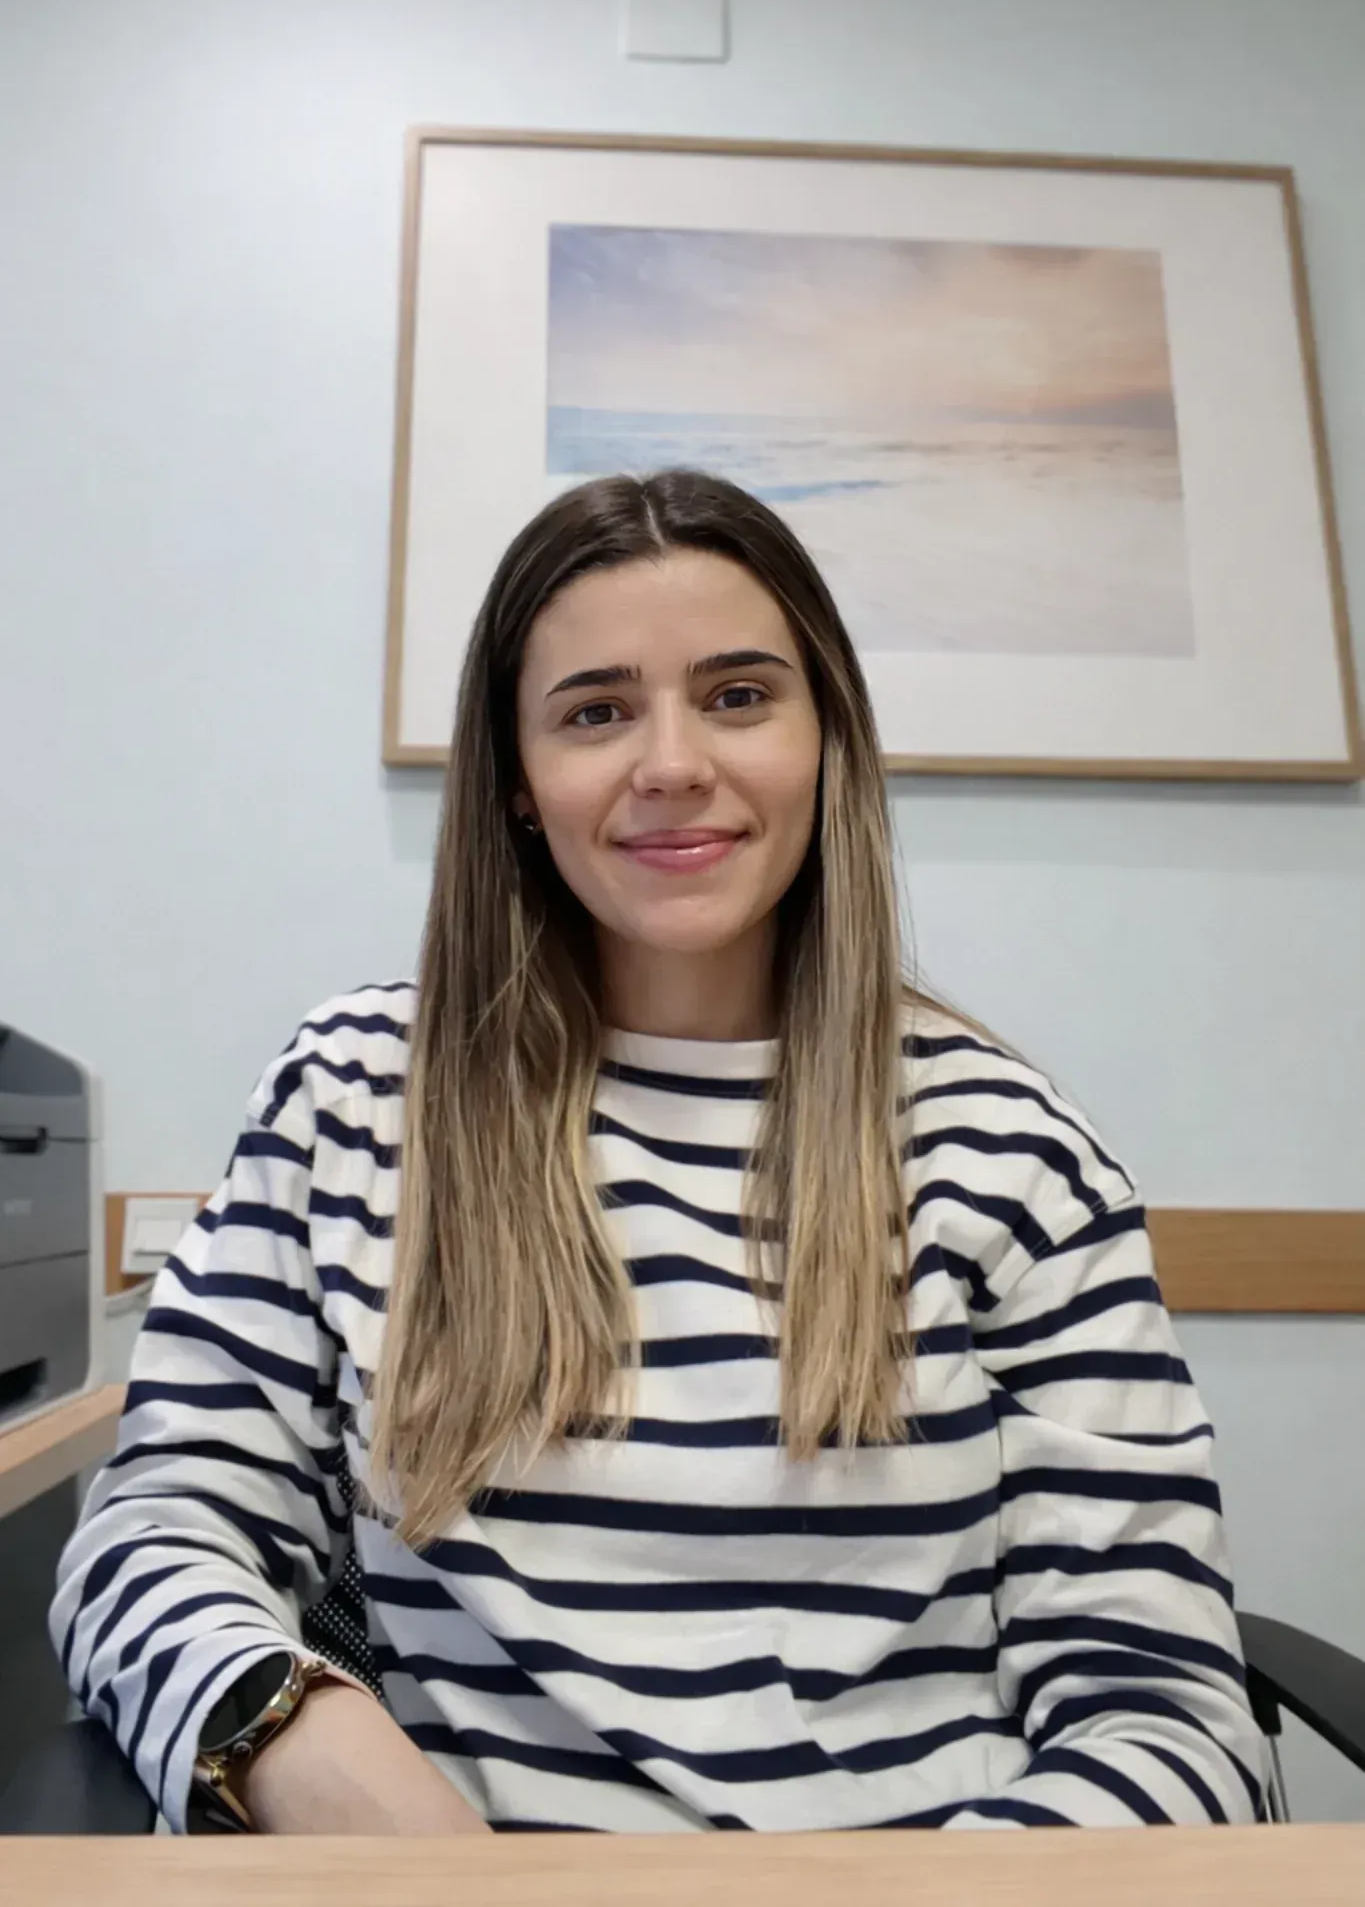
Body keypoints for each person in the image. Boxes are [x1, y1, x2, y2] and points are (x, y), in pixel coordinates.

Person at [52, 470, 1264, 1835]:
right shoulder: (355, 1099)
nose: (673, 762)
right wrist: (306, 1738)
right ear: (518, 782)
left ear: (827, 743)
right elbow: (154, 1533)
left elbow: (1165, 1709)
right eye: (597, 710)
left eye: (740, 696)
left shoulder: (1009, 1151)